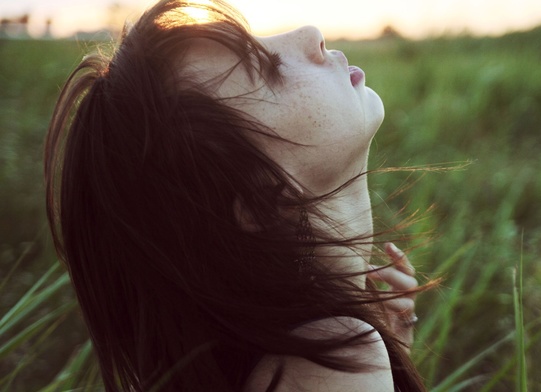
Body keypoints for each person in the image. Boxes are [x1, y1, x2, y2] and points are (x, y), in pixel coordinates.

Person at [45, 0, 430, 390]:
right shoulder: (324, 368)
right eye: (271, 70)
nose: (311, 34)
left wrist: (391, 351)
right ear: (259, 200)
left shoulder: (306, 361)